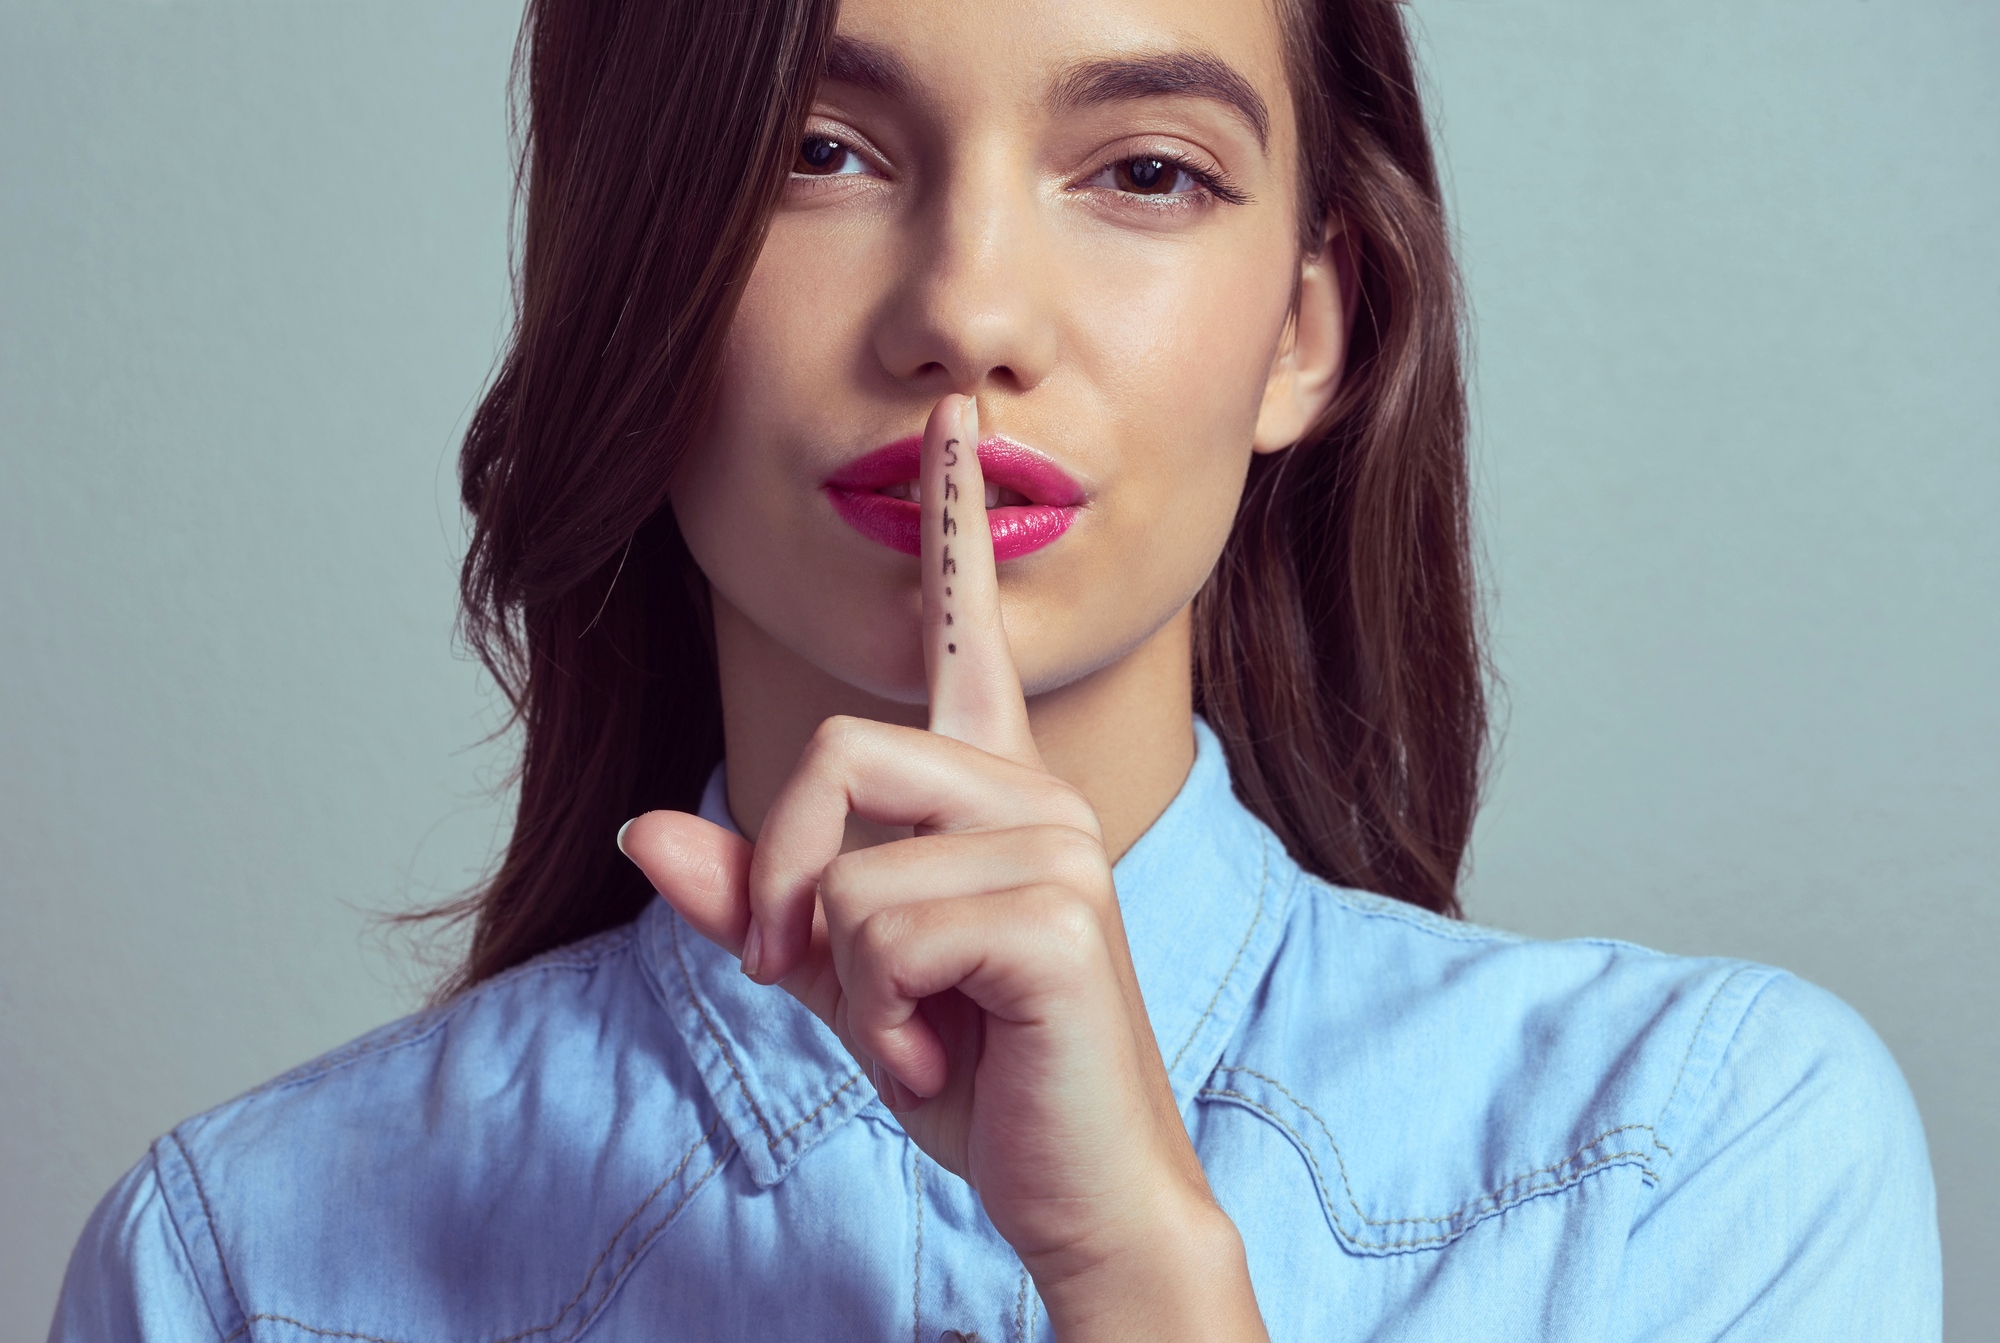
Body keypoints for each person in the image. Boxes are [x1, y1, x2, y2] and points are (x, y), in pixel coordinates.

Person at [51, 0, 1941, 1338]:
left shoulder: (1689, 1164)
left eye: (1144, 170)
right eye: (821, 150)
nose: (965, 307)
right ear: (632, 268)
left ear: (1306, 330)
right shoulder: (245, 1271)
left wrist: (1145, 1279)